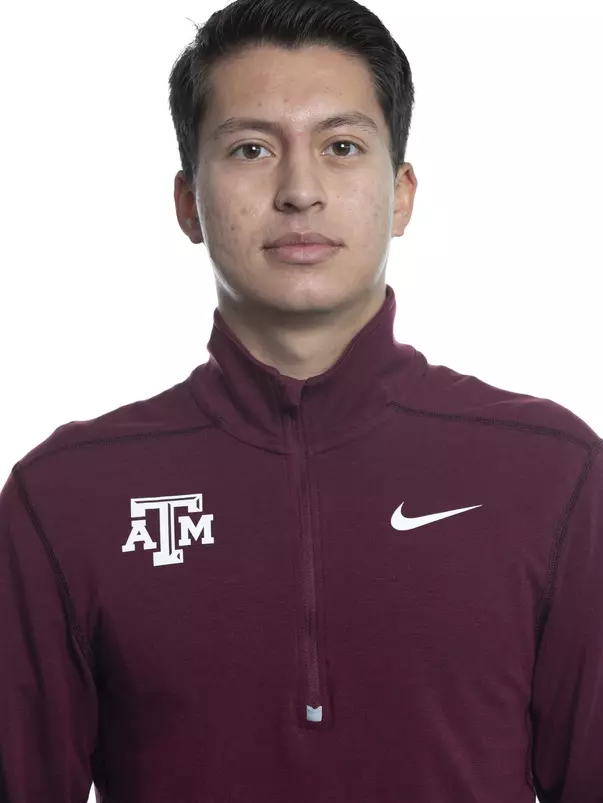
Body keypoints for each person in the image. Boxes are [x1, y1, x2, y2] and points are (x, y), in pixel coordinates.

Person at [1, 0, 601, 801]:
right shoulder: (65, 494)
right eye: (251, 148)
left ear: (400, 194)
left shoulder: (551, 472)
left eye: (341, 146)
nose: (300, 190)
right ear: (187, 200)